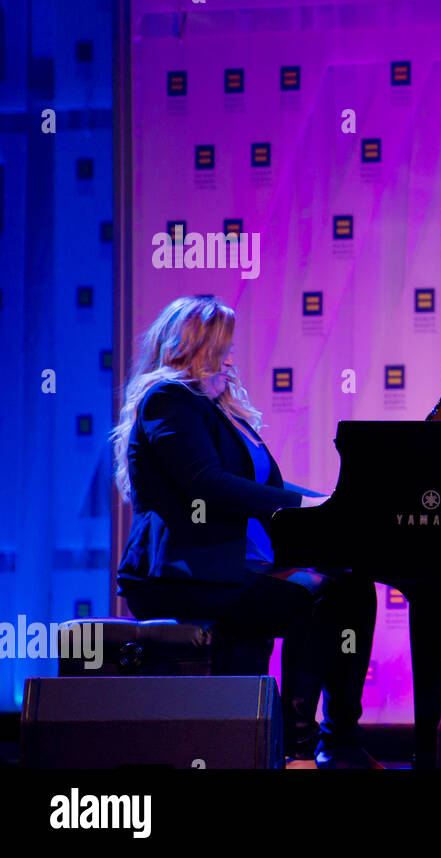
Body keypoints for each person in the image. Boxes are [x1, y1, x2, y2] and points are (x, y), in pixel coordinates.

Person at [111, 296, 381, 769]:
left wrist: (331, 502)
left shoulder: (222, 413)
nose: (231, 361)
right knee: (311, 600)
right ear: (191, 349)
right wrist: (307, 505)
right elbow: (206, 484)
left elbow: (267, 488)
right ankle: (297, 750)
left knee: (352, 584)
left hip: (228, 565)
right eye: (222, 351)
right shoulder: (168, 400)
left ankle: (340, 742)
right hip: (179, 574)